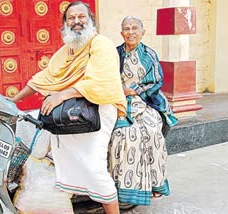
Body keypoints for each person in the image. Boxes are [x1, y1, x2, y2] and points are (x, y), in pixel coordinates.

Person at [10, 2, 127, 213]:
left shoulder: (101, 44)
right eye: (71, 18)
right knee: (54, 159)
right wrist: (13, 100)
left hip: (98, 111)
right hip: (70, 113)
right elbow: (44, 78)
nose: (76, 21)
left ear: (91, 19)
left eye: (81, 16)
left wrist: (62, 95)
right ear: (65, 24)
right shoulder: (66, 51)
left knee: (94, 167)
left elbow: (99, 80)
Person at [108, 16, 178, 206]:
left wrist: (135, 91)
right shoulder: (115, 54)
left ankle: (155, 184)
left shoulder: (149, 54)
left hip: (147, 101)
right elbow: (106, 78)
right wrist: (120, 92)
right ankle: (118, 187)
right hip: (119, 101)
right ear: (121, 32)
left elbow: (157, 80)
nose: (131, 32)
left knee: (152, 132)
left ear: (142, 32)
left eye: (135, 28)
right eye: (126, 29)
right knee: (124, 134)